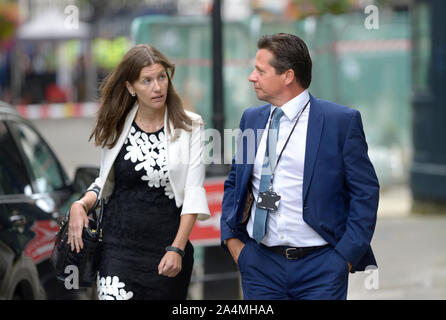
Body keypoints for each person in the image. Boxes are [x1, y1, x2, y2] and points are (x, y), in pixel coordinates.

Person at [220, 33, 379, 300]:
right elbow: (235, 182)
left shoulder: (340, 122)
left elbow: (365, 193)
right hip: (260, 266)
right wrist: (234, 243)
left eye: (260, 70)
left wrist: (344, 258)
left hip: (321, 268)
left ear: (288, 76)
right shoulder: (251, 119)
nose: (251, 77)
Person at [67, 44, 210, 300]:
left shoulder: (191, 127)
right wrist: (81, 204)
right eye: (147, 80)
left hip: (166, 254)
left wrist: (177, 248)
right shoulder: (116, 124)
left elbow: (193, 192)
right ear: (131, 87)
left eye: (161, 77)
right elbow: (105, 181)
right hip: (116, 251)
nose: (157, 87)